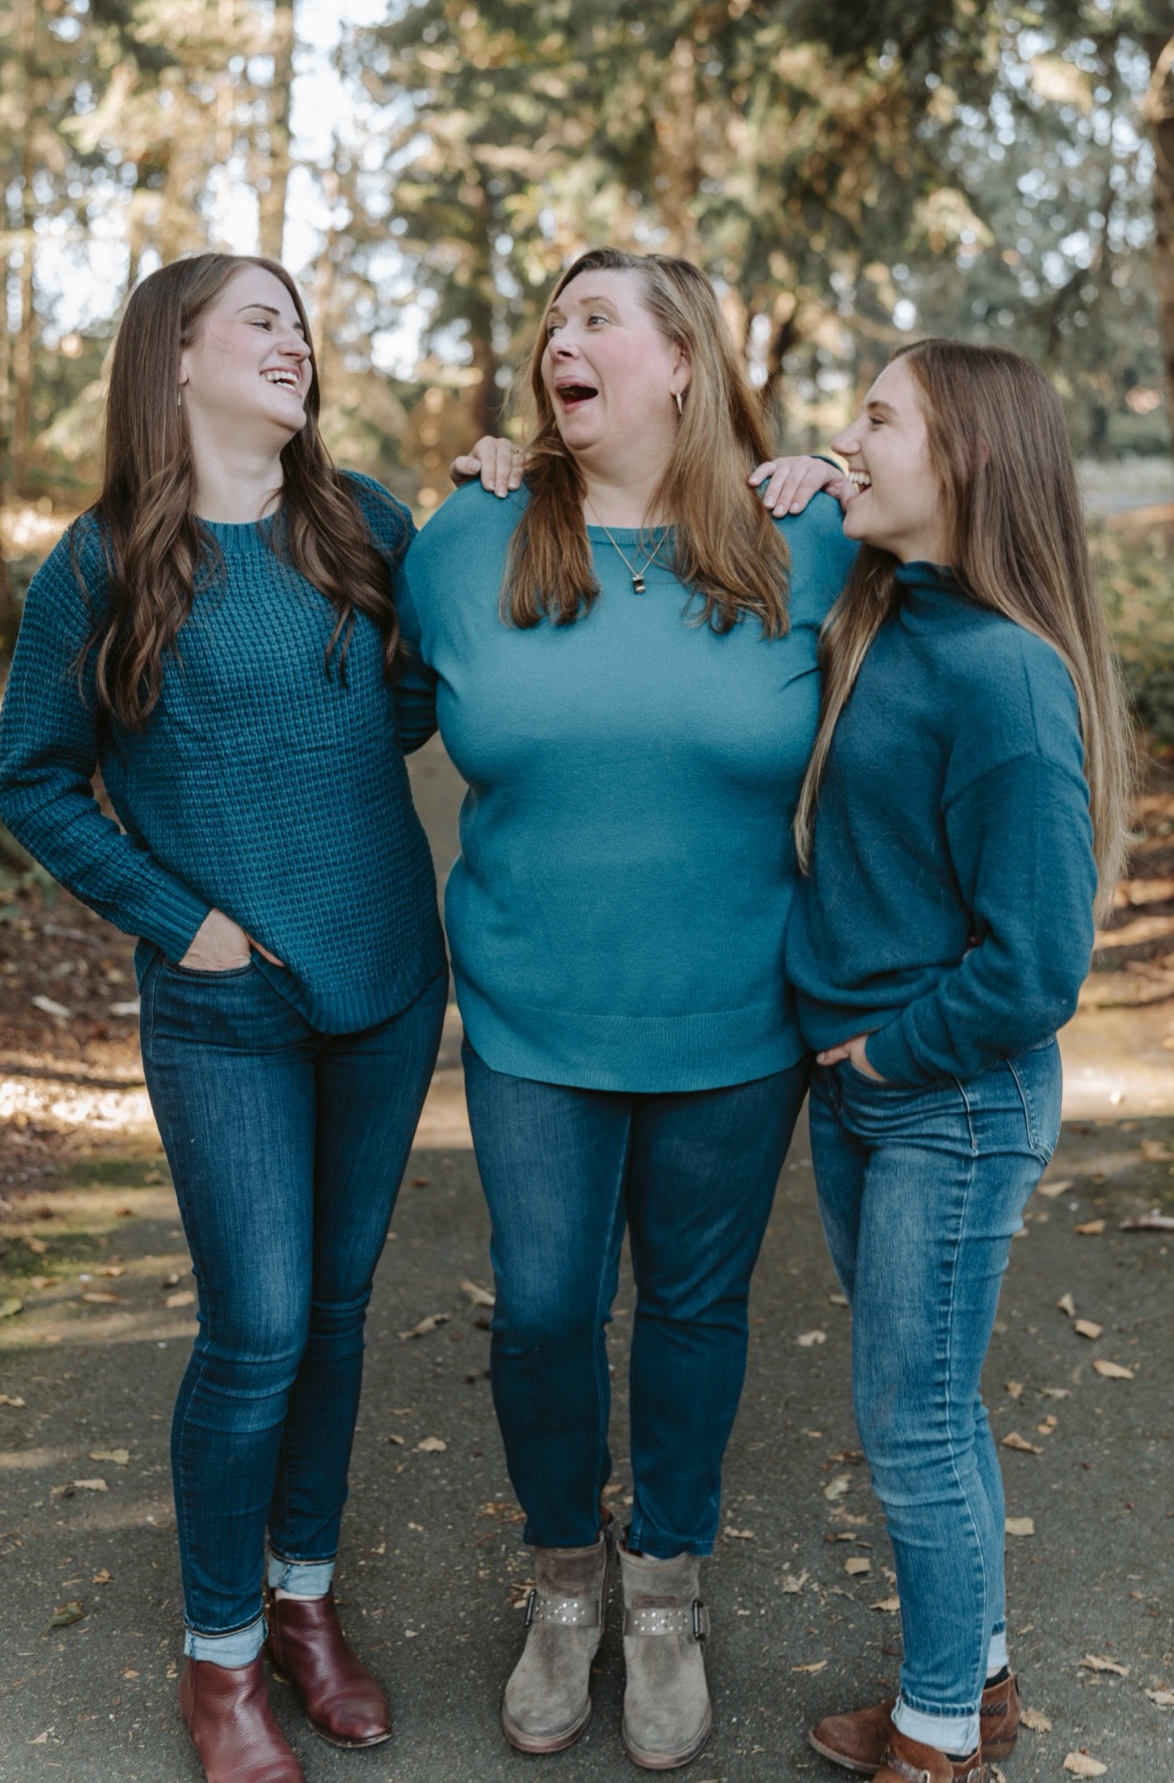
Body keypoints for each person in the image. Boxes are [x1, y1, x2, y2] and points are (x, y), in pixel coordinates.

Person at [0, 254, 447, 1783]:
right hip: (223, 1009)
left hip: (384, 985)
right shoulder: (104, 560)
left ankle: (304, 1602)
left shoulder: (365, 521)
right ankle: (221, 1658)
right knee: (254, 1335)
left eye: (303, 317)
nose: (295, 337)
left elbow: (413, 702)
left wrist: (506, 476)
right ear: (172, 357)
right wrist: (184, 923)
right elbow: (35, 778)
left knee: (333, 1313)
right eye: (258, 316)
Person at [395, 247, 849, 1770]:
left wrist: (838, 458)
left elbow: (981, 541)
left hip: (736, 1018)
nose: (555, 340)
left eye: (595, 318)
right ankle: (563, 1584)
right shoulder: (465, 538)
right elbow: (351, 703)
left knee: (697, 1311)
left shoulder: (812, 542)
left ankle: (665, 1590)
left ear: (681, 363)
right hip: (531, 1015)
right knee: (540, 1310)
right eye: (549, 321)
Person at [789, 340, 1133, 1783]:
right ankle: (973, 1679)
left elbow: (1037, 962)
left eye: (875, 418)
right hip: (868, 1088)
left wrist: (882, 1061)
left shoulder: (1002, 673)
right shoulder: (889, 612)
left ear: (966, 460)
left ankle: (934, 1738)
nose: (845, 436)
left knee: (909, 1421)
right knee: (932, 1403)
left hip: (948, 1096)